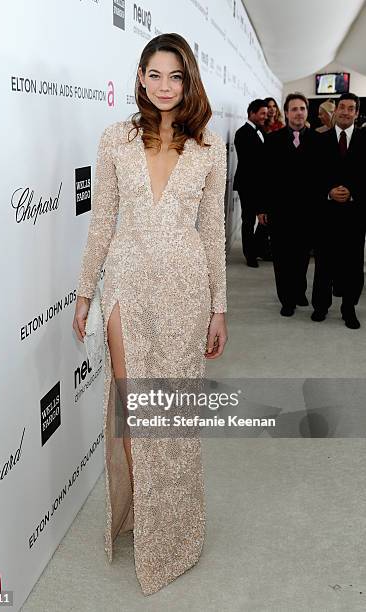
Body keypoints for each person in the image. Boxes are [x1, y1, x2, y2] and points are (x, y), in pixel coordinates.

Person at [72, 33, 228, 595]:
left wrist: (219, 308)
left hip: (185, 288)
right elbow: (101, 220)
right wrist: (86, 290)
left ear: (188, 81)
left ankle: (175, 529)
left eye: (176, 77)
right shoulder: (115, 138)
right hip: (128, 283)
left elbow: (213, 231)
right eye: (154, 75)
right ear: (140, 76)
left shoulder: (211, 145)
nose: (164, 87)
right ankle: (147, 522)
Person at [257, 93, 320, 316]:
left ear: (307, 111)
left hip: (308, 211)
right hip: (280, 210)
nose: (299, 113)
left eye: (302, 108)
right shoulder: (273, 140)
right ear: (287, 113)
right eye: (294, 109)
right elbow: (264, 177)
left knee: (302, 256)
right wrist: (262, 207)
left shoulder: (317, 140)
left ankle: (299, 291)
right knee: (283, 257)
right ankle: (287, 299)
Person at [311, 93, 366, 329]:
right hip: (326, 213)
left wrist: (353, 192)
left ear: (356, 113)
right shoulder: (319, 141)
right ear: (335, 111)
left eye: (350, 108)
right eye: (341, 107)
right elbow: (311, 176)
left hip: (355, 213)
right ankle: (321, 306)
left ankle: (349, 309)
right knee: (324, 262)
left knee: (353, 264)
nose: (345, 112)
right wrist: (328, 191)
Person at [233, 98, 270, 267]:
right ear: (252, 113)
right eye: (262, 113)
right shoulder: (242, 133)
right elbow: (251, 163)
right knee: (248, 220)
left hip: (262, 183)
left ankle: (259, 249)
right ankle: (250, 255)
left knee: (265, 219)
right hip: (248, 184)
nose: (265, 116)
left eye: (266, 113)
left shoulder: (261, 130)